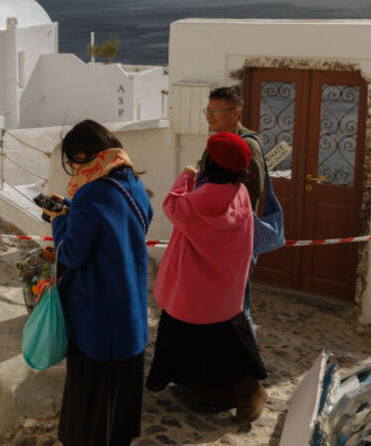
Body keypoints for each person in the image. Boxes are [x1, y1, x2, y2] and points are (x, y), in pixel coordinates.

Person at [146, 132, 268, 426]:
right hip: (225, 285)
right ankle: (226, 390)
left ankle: (232, 390)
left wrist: (185, 177)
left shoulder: (197, 200)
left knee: (192, 339)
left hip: (192, 287)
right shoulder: (240, 195)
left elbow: (171, 206)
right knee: (225, 341)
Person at [43, 119, 152, 446]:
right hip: (129, 311)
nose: (73, 168)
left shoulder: (90, 194)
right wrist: (72, 211)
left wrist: (59, 219)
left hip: (97, 315)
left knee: (91, 400)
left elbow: (72, 253)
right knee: (119, 401)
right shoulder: (131, 183)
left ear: (82, 154)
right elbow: (117, 226)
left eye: (73, 160)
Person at [201, 86, 269, 327]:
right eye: (207, 111)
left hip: (236, 238)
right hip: (217, 237)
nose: (209, 117)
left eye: (216, 111)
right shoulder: (218, 142)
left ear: (235, 113)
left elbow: (250, 194)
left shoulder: (247, 146)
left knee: (239, 306)